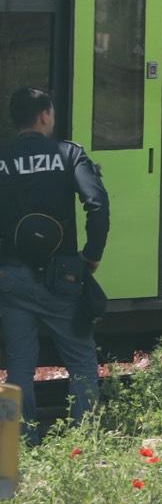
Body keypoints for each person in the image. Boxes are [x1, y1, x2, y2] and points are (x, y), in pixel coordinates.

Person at [0, 87, 106, 431]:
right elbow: (97, 206)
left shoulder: (2, 158)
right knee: (81, 361)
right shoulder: (69, 154)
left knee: (18, 366)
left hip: (11, 276)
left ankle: (17, 444)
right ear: (45, 115)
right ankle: (83, 442)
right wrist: (91, 256)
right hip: (62, 276)